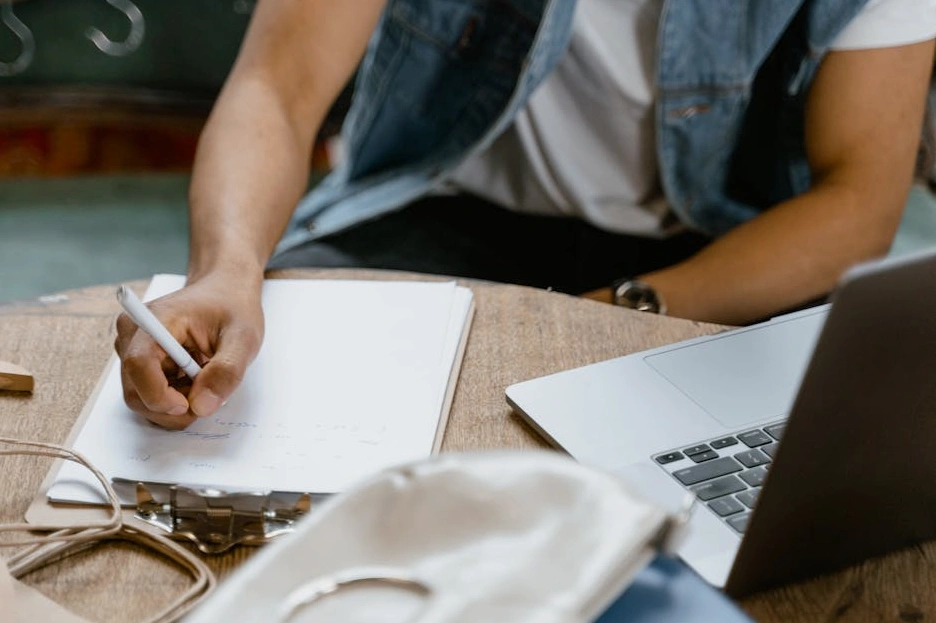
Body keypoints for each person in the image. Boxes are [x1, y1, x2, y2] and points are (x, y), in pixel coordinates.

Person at [115, 0, 936, 429]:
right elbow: (276, 86)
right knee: (265, 418)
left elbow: (856, 202)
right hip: (439, 210)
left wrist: (612, 318)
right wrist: (226, 270)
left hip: (726, 249)